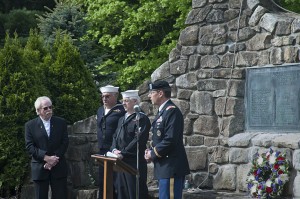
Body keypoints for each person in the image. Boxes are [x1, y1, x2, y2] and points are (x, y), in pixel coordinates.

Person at [144, 80, 190, 199]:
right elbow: (159, 139)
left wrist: (152, 154)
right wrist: (150, 151)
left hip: (171, 167)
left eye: (151, 92)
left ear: (160, 93)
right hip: (164, 167)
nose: (149, 96)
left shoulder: (172, 111)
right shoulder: (162, 112)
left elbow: (170, 139)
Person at [25, 96, 69, 199]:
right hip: (40, 168)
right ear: (38, 111)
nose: (49, 110)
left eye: (50, 107)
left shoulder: (61, 122)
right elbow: (30, 146)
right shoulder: (30, 125)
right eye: (45, 108)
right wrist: (46, 158)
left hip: (58, 167)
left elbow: (65, 142)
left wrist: (54, 159)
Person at [111, 90, 151, 199]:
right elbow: (115, 136)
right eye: (123, 101)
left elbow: (138, 139)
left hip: (133, 162)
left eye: (126, 101)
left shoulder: (141, 118)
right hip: (120, 162)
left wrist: (123, 153)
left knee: (134, 192)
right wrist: (114, 149)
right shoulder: (121, 119)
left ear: (135, 101)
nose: (123, 103)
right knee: (121, 191)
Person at [96, 85, 126, 199]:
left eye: (107, 96)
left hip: (115, 150)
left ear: (115, 96)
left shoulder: (121, 110)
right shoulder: (100, 110)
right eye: (103, 96)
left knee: (117, 182)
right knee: (103, 181)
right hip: (103, 150)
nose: (104, 99)